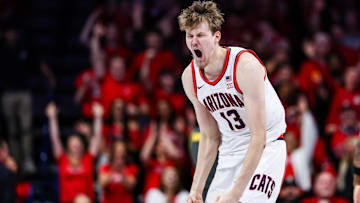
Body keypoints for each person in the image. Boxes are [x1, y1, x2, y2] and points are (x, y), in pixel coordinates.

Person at [178, 1, 287, 203]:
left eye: (200, 35)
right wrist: (196, 189)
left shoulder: (244, 65)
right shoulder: (189, 78)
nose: (194, 42)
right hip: (230, 150)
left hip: (267, 146)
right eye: (189, 36)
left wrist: (236, 194)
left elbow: (258, 136)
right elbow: (210, 136)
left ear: (216, 36)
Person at [45, 102, 103, 203]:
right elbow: (55, 139)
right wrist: (52, 118)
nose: (76, 146)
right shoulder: (62, 159)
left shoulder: (88, 159)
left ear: (82, 146)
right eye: (73, 144)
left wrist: (98, 117)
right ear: (68, 146)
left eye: (78, 144)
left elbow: (96, 138)